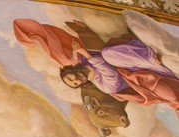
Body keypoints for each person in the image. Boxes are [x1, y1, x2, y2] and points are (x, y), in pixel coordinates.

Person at [13, 18, 179, 117]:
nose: (75, 79)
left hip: (133, 60)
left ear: (71, 70)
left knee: (109, 53)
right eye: (74, 83)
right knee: (172, 97)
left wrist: (83, 32)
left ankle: (151, 58)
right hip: (142, 80)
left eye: (70, 77)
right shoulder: (104, 86)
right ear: (81, 84)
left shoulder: (83, 61)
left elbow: (93, 47)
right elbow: (110, 72)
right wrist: (84, 52)